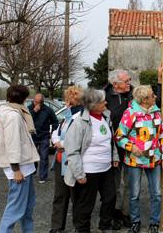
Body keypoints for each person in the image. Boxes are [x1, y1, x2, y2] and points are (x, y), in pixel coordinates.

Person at [115, 85, 163, 233]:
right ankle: (135, 222)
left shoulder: (157, 113)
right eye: (153, 95)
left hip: (154, 160)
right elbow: (119, 136)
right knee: (134, 194)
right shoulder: (130, 113)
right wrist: (131, 147)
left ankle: (154, 222)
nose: (155, 97)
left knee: (157, 193)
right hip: (134, 161)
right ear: (145, 100)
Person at [64, 89, 120, 233]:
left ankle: (105, 225)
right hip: (88, 171)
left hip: (106, 169)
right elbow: (72, 150)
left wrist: (114, 157)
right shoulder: (79, 122)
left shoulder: (106, 117)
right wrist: (79, 174)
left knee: (110, 198)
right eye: (102, 101)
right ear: (93, 105)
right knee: (85, 205)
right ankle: (82, 229)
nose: (106, 103)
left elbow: (110, 140)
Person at [0, 85, 40, 233]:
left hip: (25, 167)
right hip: (19, 169)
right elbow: (13, 144)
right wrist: (16, 169)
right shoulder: (13, 115)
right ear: (23, 98)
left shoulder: (16, 112)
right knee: (15, 209)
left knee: (27, 207)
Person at [49, 86, 84, 233]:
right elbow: (56, 132)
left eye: (67, 98)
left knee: (76, 196)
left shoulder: (83, 116)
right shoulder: (66, 115)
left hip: (74, 162)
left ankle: (79, 227)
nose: (66, 101)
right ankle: (57, 227)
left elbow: (81, 139)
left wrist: (62, 144)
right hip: (60, 160)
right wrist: (56, 141)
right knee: (60, 195)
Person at [104, 69, 133, 227]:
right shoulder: (104, 97)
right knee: (115, 185)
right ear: (115, 84)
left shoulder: (133, 94)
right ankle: (114, 213)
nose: (129, 83)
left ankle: (126, 213)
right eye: (126, 81)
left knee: (130, 183)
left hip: (131, 147)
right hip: (112, 148)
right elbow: (111, 117)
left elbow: (156, 103)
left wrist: (159, 80)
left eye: (129, 80)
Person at [28, 93, 59, 183]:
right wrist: (34, 111)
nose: (36, 104)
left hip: (44, 136)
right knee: (32, 156)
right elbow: (26, 120)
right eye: (35, 102)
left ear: (42, 102)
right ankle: (32, 171)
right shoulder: (29, 109)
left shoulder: (48, 110)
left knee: (44, 157)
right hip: (32, 136)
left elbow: (55, 122)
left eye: (38, 102)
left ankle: (43, 176)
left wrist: (53, 133)